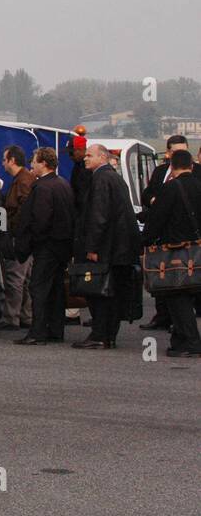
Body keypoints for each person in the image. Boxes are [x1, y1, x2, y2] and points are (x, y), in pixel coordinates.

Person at [73, 143, 141, 349]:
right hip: (121, 247)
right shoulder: (114, 177)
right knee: (112, 294)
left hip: (107, 247)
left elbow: (99, 215)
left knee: (99, 293)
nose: (85, 158)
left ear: (102, 157)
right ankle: (108, 335)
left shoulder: (101, 178)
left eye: (89, 155)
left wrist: (92, 247)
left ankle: (99, 335)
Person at [140, 149, 201, 357]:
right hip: (197, 251)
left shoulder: (171, 188)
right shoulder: (199, 185)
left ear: (172, 168)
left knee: (177, 297)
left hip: (176, 252)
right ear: (192, 166)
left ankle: (191, 343)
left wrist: (145, 241)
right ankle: (181, 340)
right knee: (189, 297)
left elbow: (157, 220)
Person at [13, 147, 75, 345]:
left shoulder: (43, 188)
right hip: (62, 245)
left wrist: (31, 242)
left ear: (43, 163)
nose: (31, 164)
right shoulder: (63, 184)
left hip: (47, 246)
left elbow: (40, 220)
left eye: (34, 161)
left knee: (38, 287)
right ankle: (56, 330)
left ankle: (37, 332)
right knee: (56, 289)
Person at [139, 134, 190, 330]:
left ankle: (181, 322)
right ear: (168, 153)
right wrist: (153, 201)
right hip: (161, 233)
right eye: (176, 151)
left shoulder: (194, 172)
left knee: (182, 281)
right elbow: (147, 193)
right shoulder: (160, 172)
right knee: (161, 276)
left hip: (183, 234)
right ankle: (162, 316)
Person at [0, 145, 36, 330]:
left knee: (15, 278)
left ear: (12, 160)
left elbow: (24, 210)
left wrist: (18, 232)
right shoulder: (25, 179)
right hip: (27, 237)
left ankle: (11, 317)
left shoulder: (22, 182)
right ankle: (26, 315)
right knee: (26, 279)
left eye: (4, 159)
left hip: (20, 236)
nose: (3, 163)